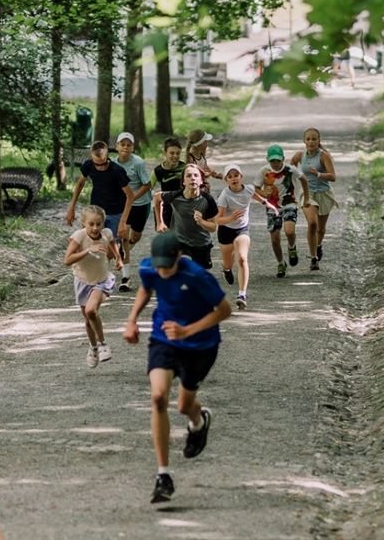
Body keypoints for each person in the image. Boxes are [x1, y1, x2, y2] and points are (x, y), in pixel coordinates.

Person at [122, 231, 231, 505]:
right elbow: (146, 288)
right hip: (164, 339)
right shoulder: (150, 268)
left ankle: (199, 421)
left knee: (184, 406)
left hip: (201, 345)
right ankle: (163, 475)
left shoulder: (197, 276)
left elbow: (224, 310)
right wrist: (132, 320)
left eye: (167, 266)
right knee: (158, 397)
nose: (162, 271)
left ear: (179, 257)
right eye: (158, 265)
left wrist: (188, 331)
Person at [64, 206, 120, 367]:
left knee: (91, 311)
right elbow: (67, 260)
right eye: (91, 224)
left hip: (102, 280)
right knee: (88, 320)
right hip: (82, 281)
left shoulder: (106, 233)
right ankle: (93, 348)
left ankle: (103, 345)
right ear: (84, 224)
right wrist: (88, 250)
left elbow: (111, 242)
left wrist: (118, 258)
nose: (95, 228)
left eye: (99, 224)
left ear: (103, 223)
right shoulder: (78, 237)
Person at [66, 139, 136, 257]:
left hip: (115, 212)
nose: (100, 167)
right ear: (91, 157)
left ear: (107, 156)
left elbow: (130, 196)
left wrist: (123, 222)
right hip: (95, 211)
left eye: (103, 163)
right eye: (96, 164)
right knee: (89, 243)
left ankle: (118, 252)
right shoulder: (88, 165)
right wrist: (71, 207)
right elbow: (80, 184)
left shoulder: (117, 171)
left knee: (109, 252)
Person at [210, 163, 260, 311]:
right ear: (226, 180)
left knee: (242, 258)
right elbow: (217, 220)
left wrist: (268, 204)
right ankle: (226, 270)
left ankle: (242, 295)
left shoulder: (249, 188)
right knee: (228, 263)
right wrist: (231, 218)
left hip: (242, 230)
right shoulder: (225, 195)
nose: (233, 179)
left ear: (241, 177)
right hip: (226, 230)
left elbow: (255, 195)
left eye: (236, 175)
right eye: (230, 177)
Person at [255, 145, 305, 279]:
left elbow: (303, 178)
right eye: (272, 161)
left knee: (289, 231)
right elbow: (256, 188)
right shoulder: (263, 171)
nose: (275, 163)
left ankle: (292, 247)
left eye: (278, 160)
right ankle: (281, 263)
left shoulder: (290, 169)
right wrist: (264, 193)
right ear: (267, 160)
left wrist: (306, 196)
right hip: (273, 206)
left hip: (289, 203)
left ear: (283, 159)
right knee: (275, 239)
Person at [292, 127, 337, 271]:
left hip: (323, 193)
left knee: (321, 229)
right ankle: (313, 258)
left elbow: (333, 177)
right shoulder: (299, 156)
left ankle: (318, 246)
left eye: (314, 139)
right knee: (312, 223)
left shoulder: (324, 156)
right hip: (307, 193)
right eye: (308, 139)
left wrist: (318, 174)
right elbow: (289, 171)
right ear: (304, 141)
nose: (311, 142)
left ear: (319, 141)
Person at [112, 131, 153, 291]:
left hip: (141, 203)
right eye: (122, 144)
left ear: (133, 147)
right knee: (123, 238)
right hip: (124, 205)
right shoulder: (113, 164)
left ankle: (124, 249)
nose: (125, 147)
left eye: (129, 145)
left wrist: (134, 197)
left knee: (135, 236)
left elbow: (147, 184)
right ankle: (125, 278)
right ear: (116, 147)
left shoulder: (138, 163)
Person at [163, 163, 220, 270]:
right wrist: (160, 222)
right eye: (188, 176)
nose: (192, 178)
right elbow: (157, 198)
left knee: (199, 280)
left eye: (195, 175)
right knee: (184, 267)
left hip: (201, 244)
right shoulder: (175, 196)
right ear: (183, 181)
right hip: (180, 242)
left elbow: (213, 227)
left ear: (201, 181)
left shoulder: (208, 200)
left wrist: (202, 222)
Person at [151, 137, 186, 229]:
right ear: (165, 153)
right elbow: (148, 187)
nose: (175, 156)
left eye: (178, 153)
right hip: (165, 208)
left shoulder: (185, 168)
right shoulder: (158, 171)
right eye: (172, 153)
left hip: (183, 207)